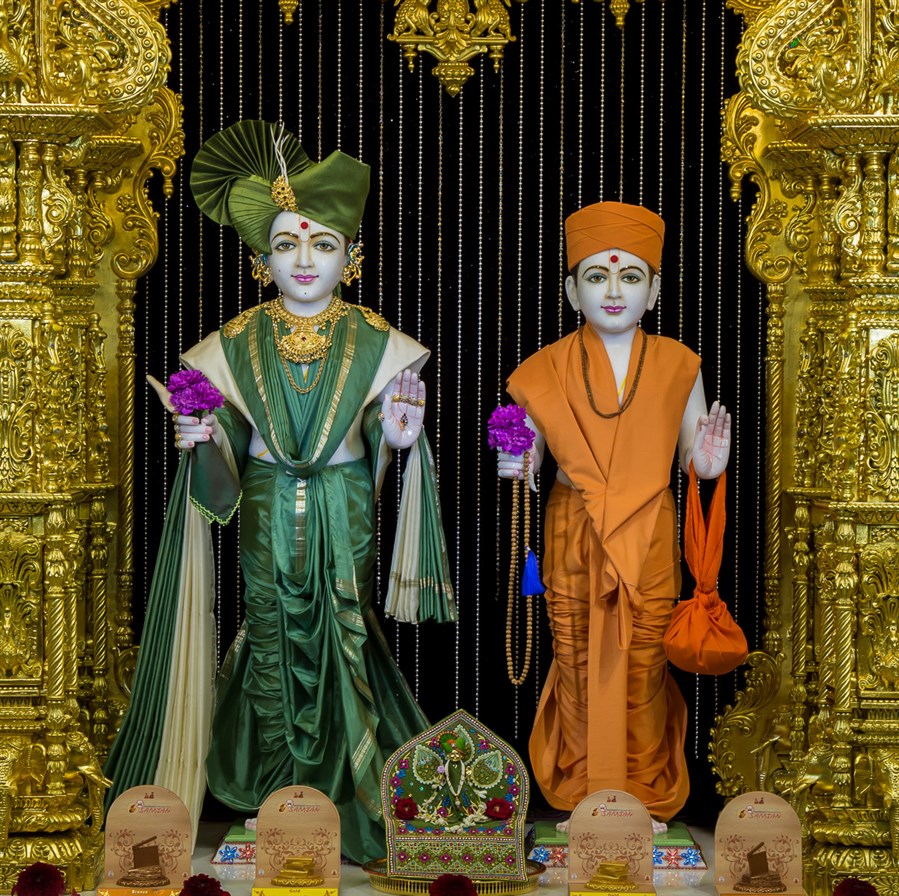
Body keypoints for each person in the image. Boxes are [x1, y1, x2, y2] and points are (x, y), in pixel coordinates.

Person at [105, 121, 456, 863]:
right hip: (266, 503)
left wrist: (399, 437)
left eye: (322, 244)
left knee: (341, 630)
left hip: (343, 503)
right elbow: (224, 455)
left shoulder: (380, 342)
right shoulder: (231, 342)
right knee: (269, 628)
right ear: (261, 259)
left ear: (351, 257)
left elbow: (385, 432)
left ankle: (349, 791)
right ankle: (276, 794)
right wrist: (201, 438)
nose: (303, 260)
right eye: (287, 244)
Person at [497, 201, 730, 832]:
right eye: (597, 276)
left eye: (630, 277)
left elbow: (694, 456)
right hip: (573, 528)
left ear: (653, 291)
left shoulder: (679, 364)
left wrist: (708, 463)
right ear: (572, 290)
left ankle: (642, 796)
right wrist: (515, 460)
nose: (613, 290)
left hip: (648, 531)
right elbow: (526, 454)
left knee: (643, 667)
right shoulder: (543, 369)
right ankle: (583, 795)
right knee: (576, 662)